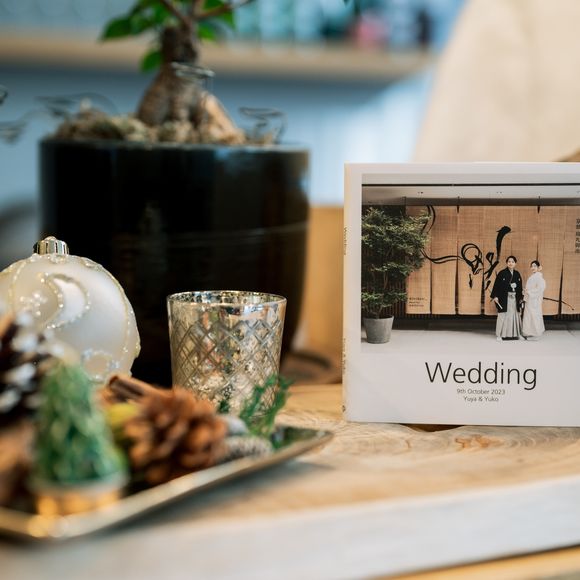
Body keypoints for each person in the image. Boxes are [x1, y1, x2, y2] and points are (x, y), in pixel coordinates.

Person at [490, 255, 523, 341]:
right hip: (504, 298)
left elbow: (520, 287)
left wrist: (521, 298)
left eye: (512, 262)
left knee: (515, 315)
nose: (510, 263)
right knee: (503, 315)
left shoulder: (517, 274)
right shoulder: (502, 273)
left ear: (515, 263)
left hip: (515, 298)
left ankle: (517, 334)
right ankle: (499, 335)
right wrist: (495, 296)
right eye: (509, 261)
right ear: (507, 263)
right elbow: (496, 286)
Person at [522, 260, 546, 339]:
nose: (533, 267)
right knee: (528, 316)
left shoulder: (539, 277)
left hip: (535, 300)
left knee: (535, 316)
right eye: (532, 266)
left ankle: (536, 334)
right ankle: (528, 332)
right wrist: (525, 291)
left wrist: (529, 292)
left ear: (538, 267)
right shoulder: (532, 277)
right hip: (530, 299)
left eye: (535, 266)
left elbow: (540, 288)